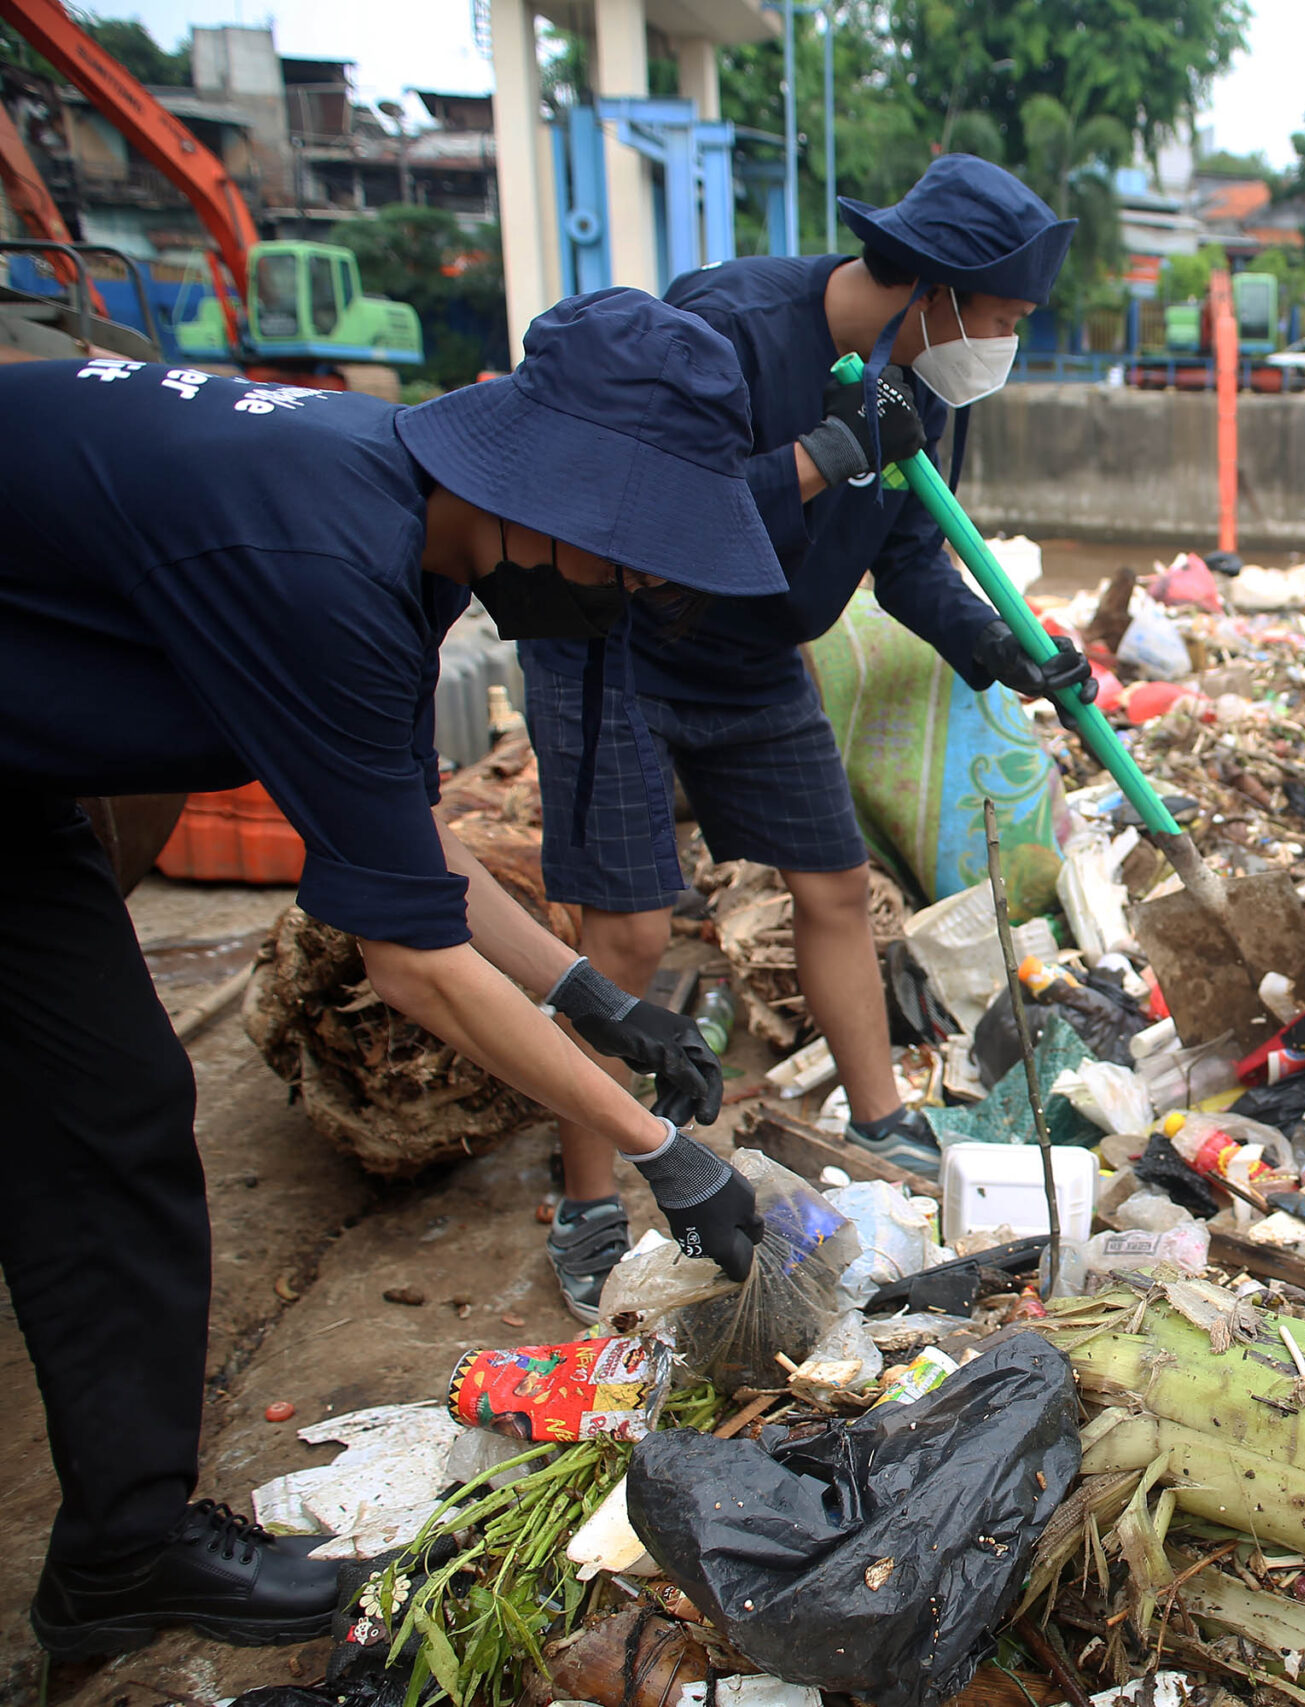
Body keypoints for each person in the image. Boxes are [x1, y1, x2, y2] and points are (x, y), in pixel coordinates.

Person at [0, 289, 779, 1657]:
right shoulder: (313, 551)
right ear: (560, 500)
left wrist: (602, 1004)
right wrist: (663, 1149)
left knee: (109, 1112)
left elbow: (403, 842)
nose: (634, 592)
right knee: (89, 1115)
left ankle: (120, 1554)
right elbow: (410, 961)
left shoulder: (397, 519)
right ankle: (121, 1548)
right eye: (635, 559)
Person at [517, 154, 1095, 1319]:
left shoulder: (925, 382)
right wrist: (825, 454)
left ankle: (882, 1123)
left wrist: (999, 648)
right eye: (1002, 315)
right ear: (930, 283)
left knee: (834, 885)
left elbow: (910, 552)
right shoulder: (725, 327)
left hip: (751, 659)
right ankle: (586, 1203)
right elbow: (656, 511)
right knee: (623, 932)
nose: (1004, 341)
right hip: (616, 643)